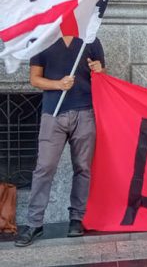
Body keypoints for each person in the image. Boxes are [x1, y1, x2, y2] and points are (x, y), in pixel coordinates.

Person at [15, 36, 105, 247]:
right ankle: (34, 223)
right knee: (44, 167)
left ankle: (76, 219)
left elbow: (102, 75)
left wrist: (99, 70)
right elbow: (34, 79)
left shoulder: (90, 38)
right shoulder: (42, 38)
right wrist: (58, 84)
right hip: (53, 114)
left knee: (82, 167)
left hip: (85, 112)